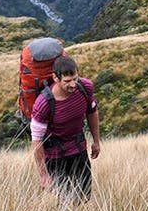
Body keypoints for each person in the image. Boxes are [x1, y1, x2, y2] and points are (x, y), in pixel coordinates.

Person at [30, 55, 101, 203]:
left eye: (75, 78)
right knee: (63, 199)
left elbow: (92, 112)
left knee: (84, 195)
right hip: (55, 157)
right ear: (55, 78)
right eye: (67, 81)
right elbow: (36, 140)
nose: (73, 84)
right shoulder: (43, 103)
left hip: (79, 149)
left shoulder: (85, 87)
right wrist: (43, 175)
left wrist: (96, 141)